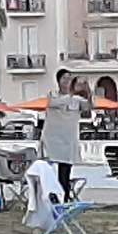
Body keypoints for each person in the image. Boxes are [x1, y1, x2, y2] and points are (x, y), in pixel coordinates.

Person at [41, 74, 87, 202]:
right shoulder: (53, 95)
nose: (67, 81)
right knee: (50, 169)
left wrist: (87, 90)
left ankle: (65, 197)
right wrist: (72, 95)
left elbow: (89, 105)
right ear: (58, 81)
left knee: (65, 171)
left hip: (68, 139)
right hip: (52, 139)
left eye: (70, 79)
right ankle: (51, 195)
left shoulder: (76, 100)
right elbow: (54, 102)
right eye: (65, 78)